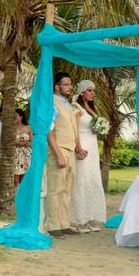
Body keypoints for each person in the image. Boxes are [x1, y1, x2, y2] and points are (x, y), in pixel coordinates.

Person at [46, 72, 84, 239]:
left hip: (70, 151)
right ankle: (53, 226)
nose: (70, 87)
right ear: (57, 86)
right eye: (66, 84)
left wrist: (78, 147)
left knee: (67, 189)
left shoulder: (68, 105)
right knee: (56, 189)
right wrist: (58, 154)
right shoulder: (52, 103)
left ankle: (63, 223)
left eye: (70, 84)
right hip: (58, 150)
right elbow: (49, 131)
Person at [68, 80, 106, 233]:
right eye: (90, 90)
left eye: (93, 91)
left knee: (92, 180)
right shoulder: (75, 107)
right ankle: (79, 220)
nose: (93, 93)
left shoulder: (91, 108)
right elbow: (74, 129)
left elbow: (95, 128)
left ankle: (90, 217)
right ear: (82, 91)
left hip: (93, 146)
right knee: (81, 181)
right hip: (82, 146)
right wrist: (78, 147)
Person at [14, 108, 32, 189]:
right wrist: (17, 143)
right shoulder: (11, 128)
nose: (14, 117)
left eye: (15, 115)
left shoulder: (28, 127)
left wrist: (27, 144)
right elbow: (7, 142)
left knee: (26, 178)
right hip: (15, 154)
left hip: (26, 154)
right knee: (15, 178)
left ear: (21, 117)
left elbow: (32, 142)